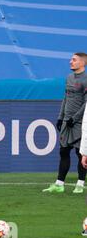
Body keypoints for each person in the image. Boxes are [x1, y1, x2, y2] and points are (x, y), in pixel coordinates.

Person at [43, 52, 87, 194]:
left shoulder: (86, 80)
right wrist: (60, 117)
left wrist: (75, 118)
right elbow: (65, 98)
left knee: (80, 154)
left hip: (79, 122)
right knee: (63, 151)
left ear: (82, 63)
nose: (70, 62)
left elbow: (86, 103)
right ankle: (59, 184)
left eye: (74, 60)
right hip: (67, 121)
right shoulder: (68, 78)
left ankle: (80, 184)